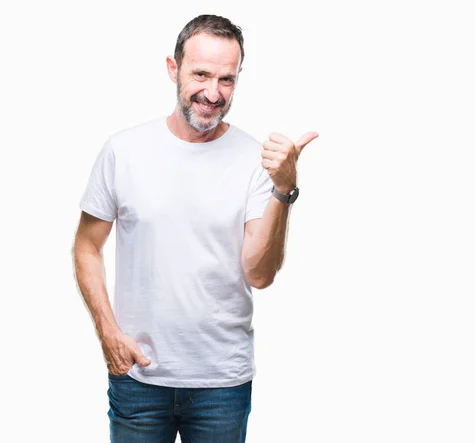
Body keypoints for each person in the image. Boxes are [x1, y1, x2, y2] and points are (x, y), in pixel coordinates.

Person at [72, 14, 318, 443]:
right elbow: (86, 247)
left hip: (221, 383)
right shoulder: (123, 150)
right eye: (201, 74)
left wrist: (283, 190)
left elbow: (259, 274)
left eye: (227, 79)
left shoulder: (254, 160)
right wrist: (108, 333)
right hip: (137, 376)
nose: (212, 92)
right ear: (173, 69)